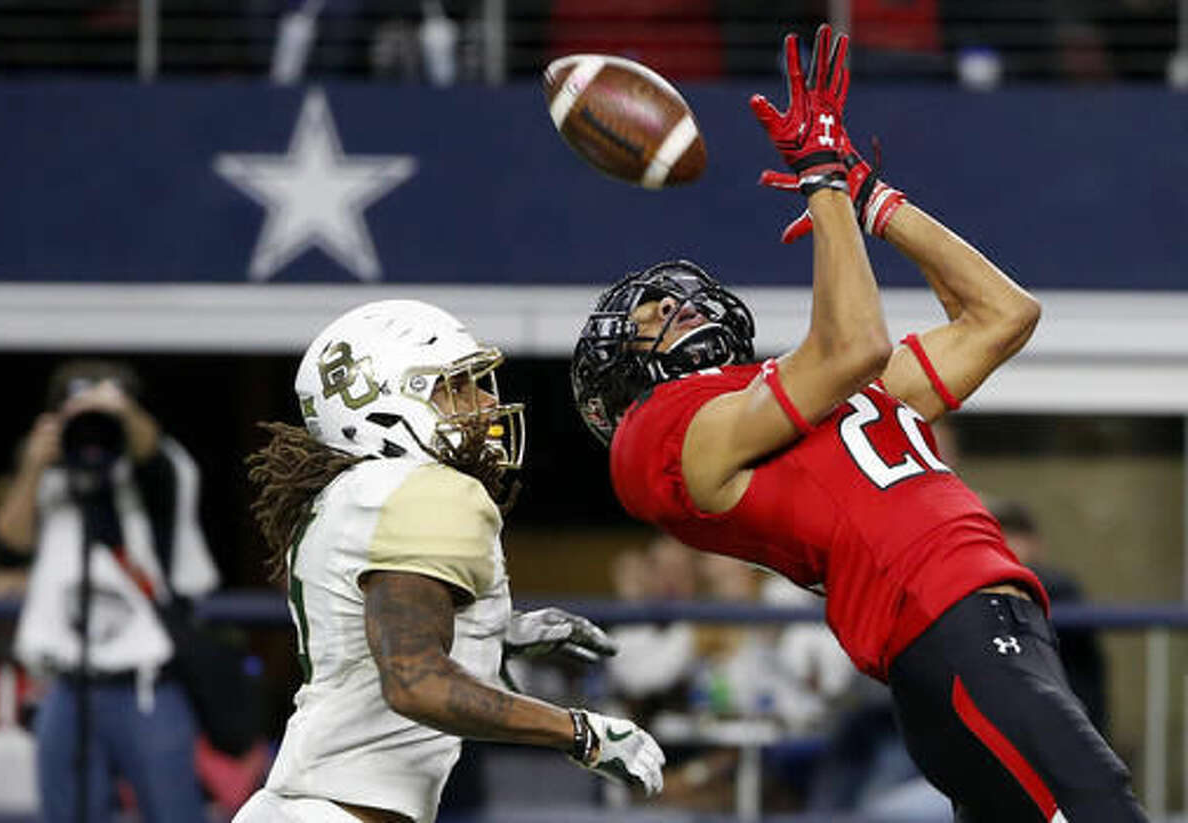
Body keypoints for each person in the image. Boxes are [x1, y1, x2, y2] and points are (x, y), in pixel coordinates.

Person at [570, 23, 1146, 822]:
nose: (672, 307)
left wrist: (875, 199)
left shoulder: (805, 399)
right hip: (944, 627)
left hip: (994, 620)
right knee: (1100, 808)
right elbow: (856, 343)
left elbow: (1004, 315)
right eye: (651, 318)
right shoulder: (661, 433)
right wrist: (822, 179)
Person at [234, 299, 664, 823]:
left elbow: (373, 642)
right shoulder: (428, 492)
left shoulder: (350, 492)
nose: (484, 401)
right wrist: (579, 733)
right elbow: (415, 681)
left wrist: (490, 633)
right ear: (387, 402)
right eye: (455, 386)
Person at [0, 359, 218, 823]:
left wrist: (116, 415)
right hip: (65, 685)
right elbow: (11, 542)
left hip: (149, 684)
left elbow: (149, 446)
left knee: (174, 814)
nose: (92, 428)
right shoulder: (50, 467)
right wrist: (35, 463)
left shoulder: (162, 468)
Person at [988, 497, 1109, 735]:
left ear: (1034, 543)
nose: (1007, 547)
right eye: (999, 538)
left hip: (1068, 720)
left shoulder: (1058, 586)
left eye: (1013, 537)